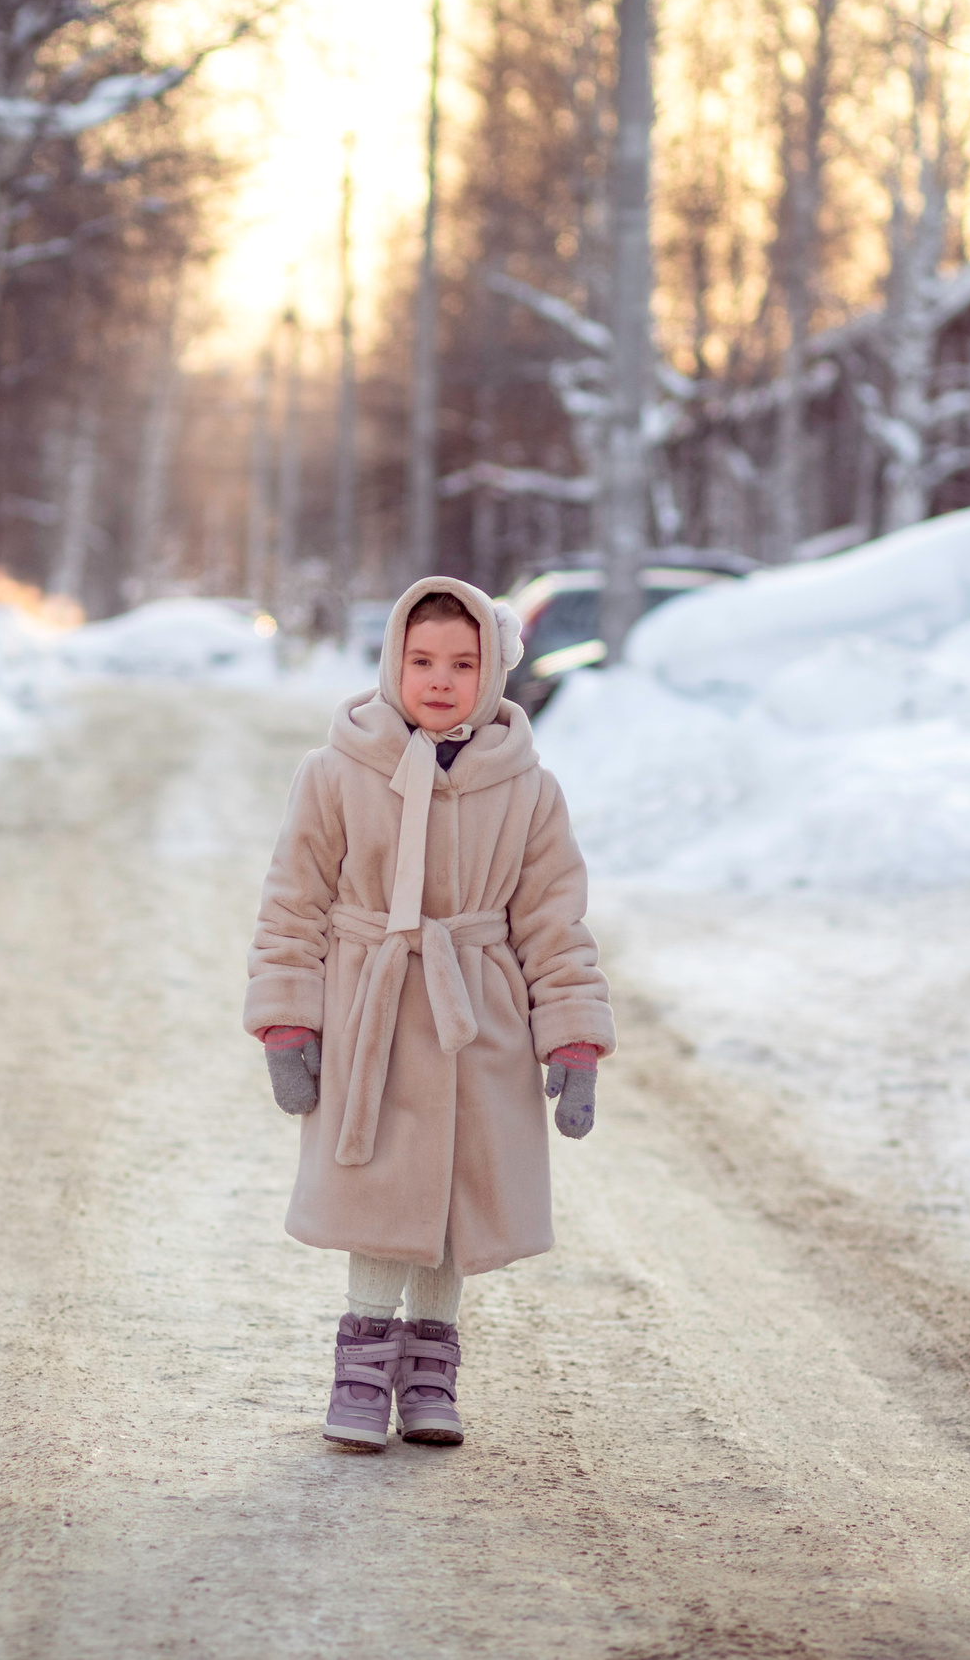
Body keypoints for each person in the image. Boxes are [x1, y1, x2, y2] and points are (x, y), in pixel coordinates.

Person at [245, 576, 613, 1451]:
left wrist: (572, 1034)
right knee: (381, 1185)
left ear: (494, 673)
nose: (440, 679)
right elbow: (292, 903)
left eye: (463, 663)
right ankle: (363, 1369)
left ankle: (429, 1370)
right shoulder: (336, 771)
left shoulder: (529, 788)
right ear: (392, 664)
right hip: (371, 1009)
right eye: (421, 660)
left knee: (455, 1193)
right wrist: (288, 1021)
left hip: (477, 1015)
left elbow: (553, 920)